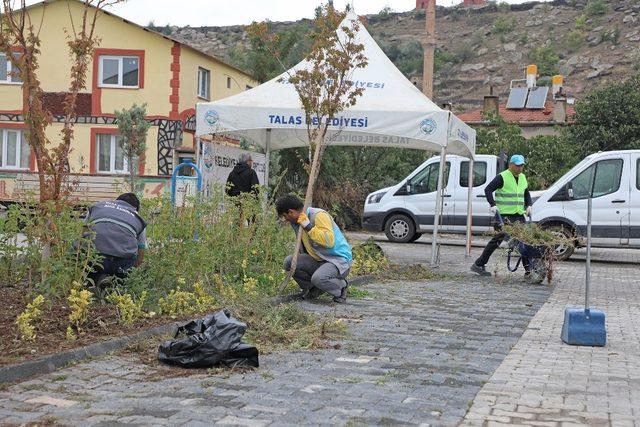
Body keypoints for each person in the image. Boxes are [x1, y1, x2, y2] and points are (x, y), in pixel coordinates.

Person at [276, 195, 352, 303]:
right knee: (290, 262)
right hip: (317, 259)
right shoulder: (296, 222)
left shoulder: (318, 215)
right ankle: (313, 288)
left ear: (291, 212)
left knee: (318, 278)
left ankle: (341, 287)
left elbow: (328, 242)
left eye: (285, 216)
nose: (285, 219)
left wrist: (308, 226)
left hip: (337, 260)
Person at [471, 154, 532, 278]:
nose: (520, 168)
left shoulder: (523, 178)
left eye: (522, 165)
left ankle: (529, 271)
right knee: (497, 240)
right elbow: (488, 190)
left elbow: (526, 192)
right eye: (518, 165)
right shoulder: (502, 177)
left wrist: (529, 205)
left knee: (524, 240)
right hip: (503, 216)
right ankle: (479, 264)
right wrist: (492, 204)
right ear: (510, 165)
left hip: (519, 215)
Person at [85, 193, 147, 285]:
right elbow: (141, 249)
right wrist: (133, 271)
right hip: (121, 262)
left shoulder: (98, 207)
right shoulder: (137, 217)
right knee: (120, 284)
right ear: (135, 208)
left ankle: (91, 286)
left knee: (90, 278)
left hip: (94, 259)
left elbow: (82, 234)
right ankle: (117, 288)